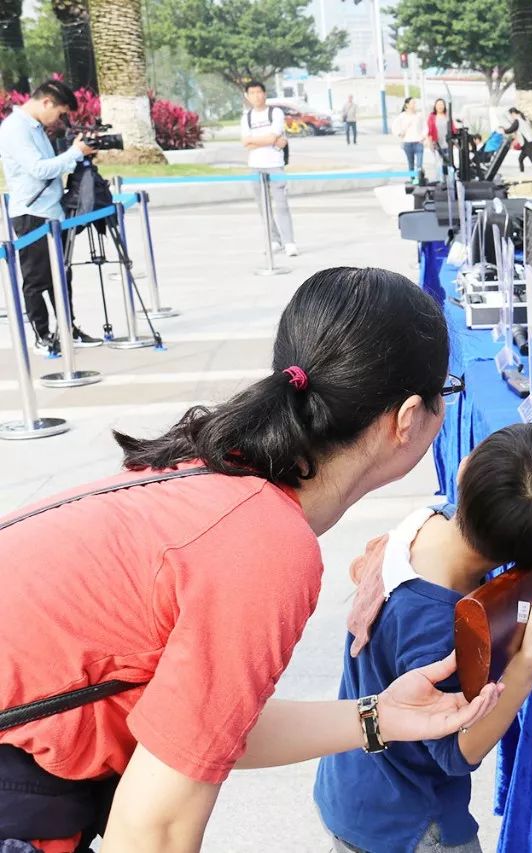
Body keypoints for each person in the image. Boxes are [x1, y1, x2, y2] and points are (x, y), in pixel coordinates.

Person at [0, 267, 503, 852]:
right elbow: (154, 832)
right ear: (410, 418)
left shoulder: (212, 469)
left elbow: (199, 723)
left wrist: (378, 717)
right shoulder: (262, 545)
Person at [314, 423, 532, 853]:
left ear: (467, 469)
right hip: (411, 827)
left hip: (355, 787)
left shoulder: (429, 524)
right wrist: (525, 671)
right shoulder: (438, 623)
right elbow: (457, 753)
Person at [0, 78, 102, 352]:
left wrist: (78, 156)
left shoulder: (35, 127)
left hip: (53, 213)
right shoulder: (14, 129)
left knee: (62, 275)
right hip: (32, 214)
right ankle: (42, 335)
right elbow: (40, 169)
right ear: (47, 102)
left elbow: (51, 167)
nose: (59, 120)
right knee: (37, 279)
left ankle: (68, 329)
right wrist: (73, 152)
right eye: (59, 113)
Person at [240, 80, 298, 257]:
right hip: (255, 167)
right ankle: (274, 240)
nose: (256, 96)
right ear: (247, 96)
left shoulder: (276, 113)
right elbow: (246, 143)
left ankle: (289, 242)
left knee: (281, 204)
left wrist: (256, 140)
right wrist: (269, 140)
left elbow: (274, 136)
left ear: (264, 93)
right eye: (252, 93)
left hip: (275, 165)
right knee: (263, 207)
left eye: (259, 92)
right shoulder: (247, 117)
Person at [393, 97, 427, 175]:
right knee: (411, 165)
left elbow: (425, 126)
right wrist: (399, 133)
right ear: (407, 105)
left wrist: (423, 136)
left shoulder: (419, 115)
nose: (414, 104)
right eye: (412, 103)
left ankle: (419, 180)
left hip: (418, 143)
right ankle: (413, 181)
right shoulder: (402, 116)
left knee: (419, 165)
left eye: (415, 103)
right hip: (407, 143)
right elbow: (394, 126)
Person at [503, 108, 532, 172]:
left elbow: (511, 130)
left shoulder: (517, 121)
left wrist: (504, 130)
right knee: (520, 159)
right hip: (527, 143)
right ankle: (522, 173)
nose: (511, 117)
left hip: (527, 143)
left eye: (510, 115)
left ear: (513, 113)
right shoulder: (523, 120)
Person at [426, 98, 456, 177]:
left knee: (448, 164)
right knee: (439, 164)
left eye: (442, 104)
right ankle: (441, 181)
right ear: (435, 106)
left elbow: (453, 129)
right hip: (437, 144)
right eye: (438, 104)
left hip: (448, 144)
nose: (440, 106)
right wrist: (430, 143)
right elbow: (429, 131)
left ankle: (448, 180)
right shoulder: (432, 117)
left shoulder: (447, 116)